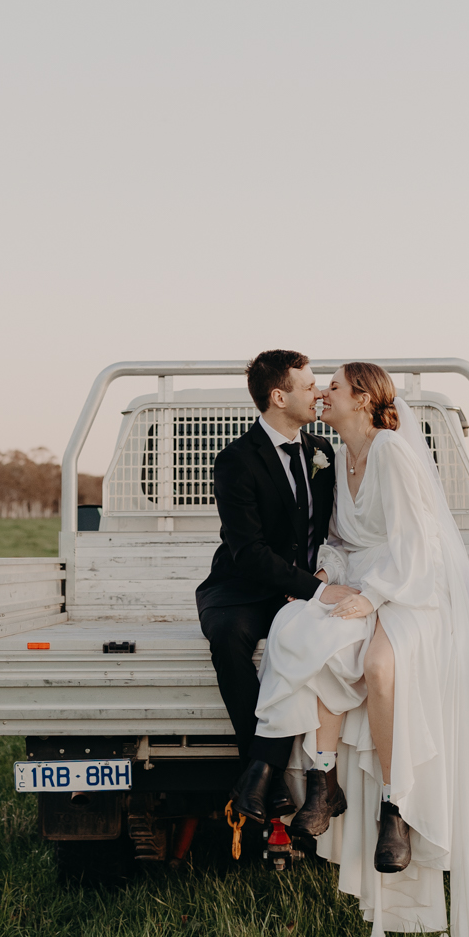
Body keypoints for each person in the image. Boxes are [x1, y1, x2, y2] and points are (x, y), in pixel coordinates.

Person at [251, 361, 469, 937]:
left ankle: (395, 807)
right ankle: (324, 782)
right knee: (311, 635)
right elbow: (346, 542)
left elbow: (419, 548)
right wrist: (326, 578)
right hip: (369, 584)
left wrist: (371, 599)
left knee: (375, 663)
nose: (324, 394)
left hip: (416, 593)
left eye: (335, 387)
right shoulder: (338, 459)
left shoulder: (394, 450)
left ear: (366, 399)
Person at [194, 349, 348, 824]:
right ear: (279, 397)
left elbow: (333, 531)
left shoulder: (322, 453)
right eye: (308, 386)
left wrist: (318, 580)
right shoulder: (235, 460)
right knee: (229, 636)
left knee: (297, 641)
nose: (317, 393)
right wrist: (313, 590)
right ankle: (267, 771)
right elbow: (248, 550)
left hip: (301, 587)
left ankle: (261, 775)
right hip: (241, 585)